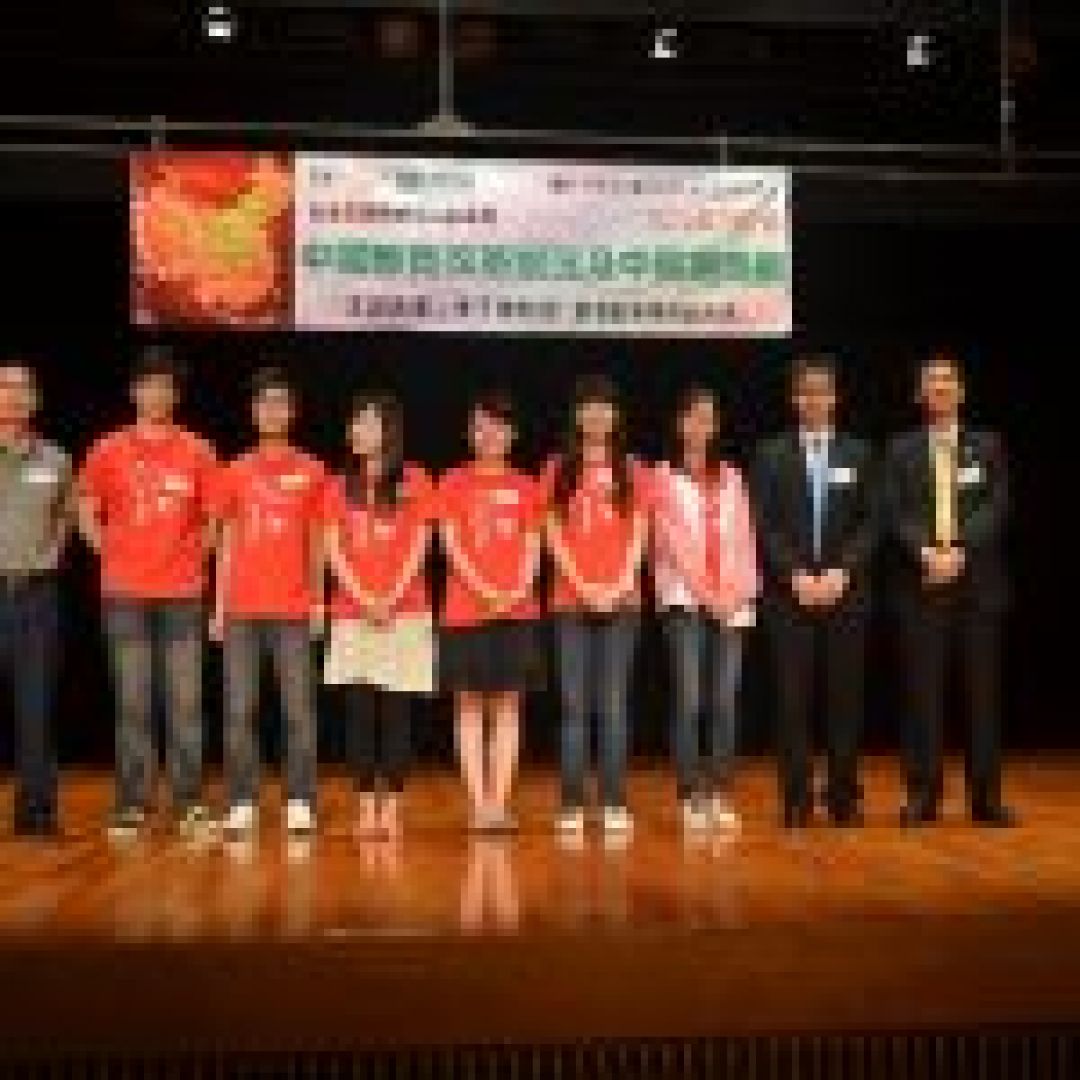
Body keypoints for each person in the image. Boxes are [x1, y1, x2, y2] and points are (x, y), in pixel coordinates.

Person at [78, 344, 218, 840]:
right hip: (125, 595)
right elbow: (85, 509)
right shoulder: (107, 449)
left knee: (185, 704)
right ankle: (131, 804)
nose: (157, 394)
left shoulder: (198, 450)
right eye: (149, 385)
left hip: (182, 594)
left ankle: (189, 804)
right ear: (134, 391)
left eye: (166, 387)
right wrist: (109, 551)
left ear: (175, 396)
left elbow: (213, 519)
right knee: (133, 703)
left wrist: (194, 557)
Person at [885, 350, 1014, 827]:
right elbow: (894, 510)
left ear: (961, 391)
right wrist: (927, 552)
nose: (939, 387)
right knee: (922, 696)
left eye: (947, 380)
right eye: (931, 381)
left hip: (977, 586)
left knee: (982, 696)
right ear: (919, 394)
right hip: (921, 584)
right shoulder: (900, 449)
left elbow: (996, 505)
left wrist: (959, 550)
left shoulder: (988, 445)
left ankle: (986, 798)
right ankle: (923, 795)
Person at [752, 354, 876, 828]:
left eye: (823, 391)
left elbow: (871, 521)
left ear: (835, 397)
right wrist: (796, 574)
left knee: (845, 700)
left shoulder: (859, 453)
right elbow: (764, 523)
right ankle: (797, 798)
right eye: (806, 392)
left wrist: (842, 571)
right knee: (791, 702)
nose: (815, 400)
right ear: (794, 398)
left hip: (846, 593)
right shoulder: (770, 453)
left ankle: (843, 796)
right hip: (790, 595)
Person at [211, 367, 326, 840]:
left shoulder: (312, 470)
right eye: (265, 403)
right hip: (241, 608)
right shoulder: (235, 470)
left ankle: (300, 799)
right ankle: (242, 800)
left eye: (281, 403)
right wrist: (218, 607)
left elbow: (318, 542)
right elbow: (226, 542)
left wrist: (318, 601)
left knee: (299, 712)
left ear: (292, 412)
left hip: (293, 608)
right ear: (253, 412)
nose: (272, 411)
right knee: (239, 711)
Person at [323, 392, 435, 841]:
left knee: (396, 714)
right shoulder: (338, 486)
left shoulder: (414, 478)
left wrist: (390, 595)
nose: (358, 430)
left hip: (404, 612)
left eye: (368, 422)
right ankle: (366, 804)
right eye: (355, 422)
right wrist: (363, 596)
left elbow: (421, 542)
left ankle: (392, 805)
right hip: (353, 613)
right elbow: (333, 548)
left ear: (388, 429)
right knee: (359, 713)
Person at [651, 385, 759, 835]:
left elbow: (745, 538)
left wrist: (738, 592)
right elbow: (672, 543)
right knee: (690, 698)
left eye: (709, 418)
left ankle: (719, 793)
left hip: (732, 602)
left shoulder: (732, 476)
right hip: (685, 599)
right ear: (680, 424)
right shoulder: (662, 476)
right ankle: (690, 795)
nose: (702, 425)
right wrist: (708, 593)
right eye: (694, 417)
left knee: (725, 701)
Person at [436, 391, 544, 833]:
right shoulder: (452, 482)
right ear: (470, 433)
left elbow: (534, 547)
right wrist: (483, 589)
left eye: (498, 427)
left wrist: (514, 591)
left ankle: (499, 803)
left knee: (508, 707)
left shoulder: (527, 486)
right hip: (466, 609)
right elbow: (450, 544)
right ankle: (478, 804)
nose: (490, 435)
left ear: (512, 434)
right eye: (481, 427)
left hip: (516, 610)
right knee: (468, 706)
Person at [546, 374, 648, 839]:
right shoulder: (558, 468)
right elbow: (552, 534)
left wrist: (619, 584)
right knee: (573, 706)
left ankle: (613, 801)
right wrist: (583, 585)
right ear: (577, 415)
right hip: (572, 600)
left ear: (615, 415)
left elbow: (640, 534)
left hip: (622, 602)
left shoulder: (631, 467)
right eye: (588, 406)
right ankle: (571, 803)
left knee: (613, 704)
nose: (596, 415)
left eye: (605, 407)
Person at [0, 359, 73, 837]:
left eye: (22, 387)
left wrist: (53, 552)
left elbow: (67, 513)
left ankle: (37, 815)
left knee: (36, 708)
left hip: (36, 596)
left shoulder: (55, 459)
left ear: (35, 399)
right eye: (3, 386)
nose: (12, 395)